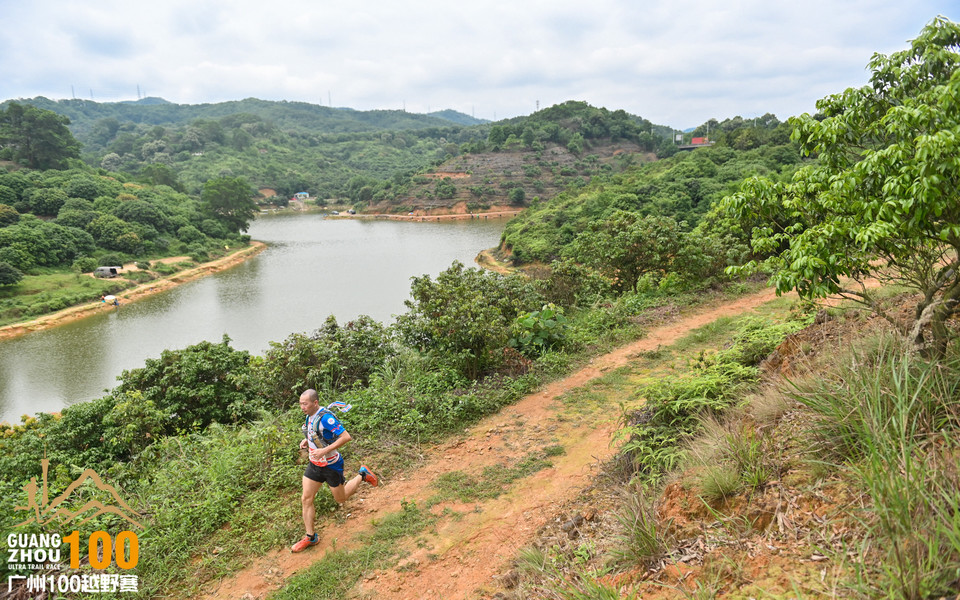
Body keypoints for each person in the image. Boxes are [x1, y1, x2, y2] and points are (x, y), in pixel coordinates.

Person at [291, 388, 379, 553]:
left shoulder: (326, 418)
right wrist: (307, 440)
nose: (302, 407)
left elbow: (346, 437)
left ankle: (362, 474)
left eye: (305, 404)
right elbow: (318, 434)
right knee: (306, 499)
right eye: (300, 404)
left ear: (315, 403)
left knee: (341, 498)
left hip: (331, 465)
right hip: (315, 465)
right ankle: (311, 537)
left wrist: (324, 451)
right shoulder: (310, 415)